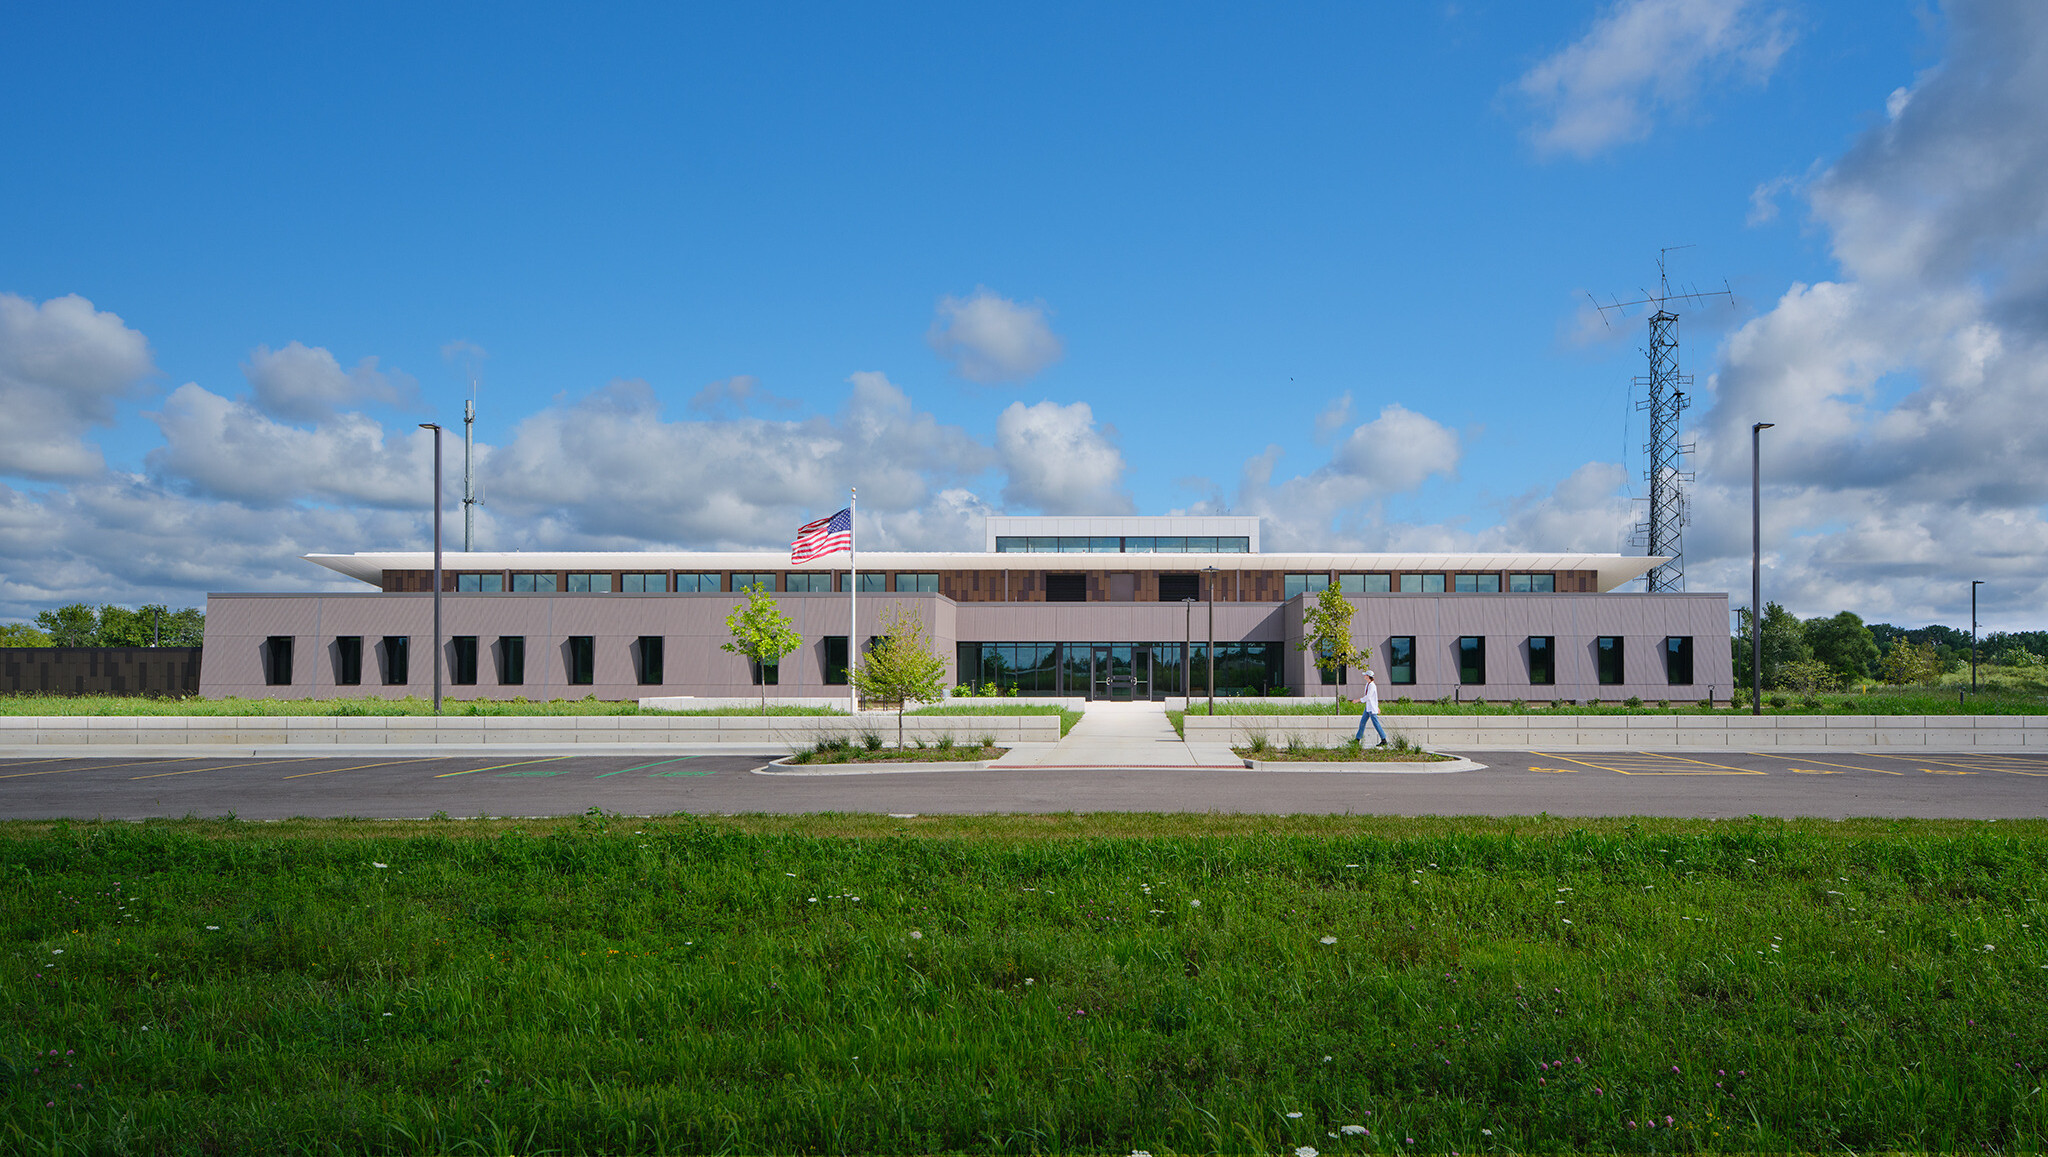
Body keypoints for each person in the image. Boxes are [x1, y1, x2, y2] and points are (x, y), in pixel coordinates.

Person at [1352, 669, 1387, 746]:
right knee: (1362, 722)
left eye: (1365, 675)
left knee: (1376, 724)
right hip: (1368, 708)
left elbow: (1368, 697)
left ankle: (1384, 739)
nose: (1364, 676)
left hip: (1371, 709)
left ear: (1368, 676)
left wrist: (1358, 700)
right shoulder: (1368, 684)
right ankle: (1357, 739)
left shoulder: (1372, 686)